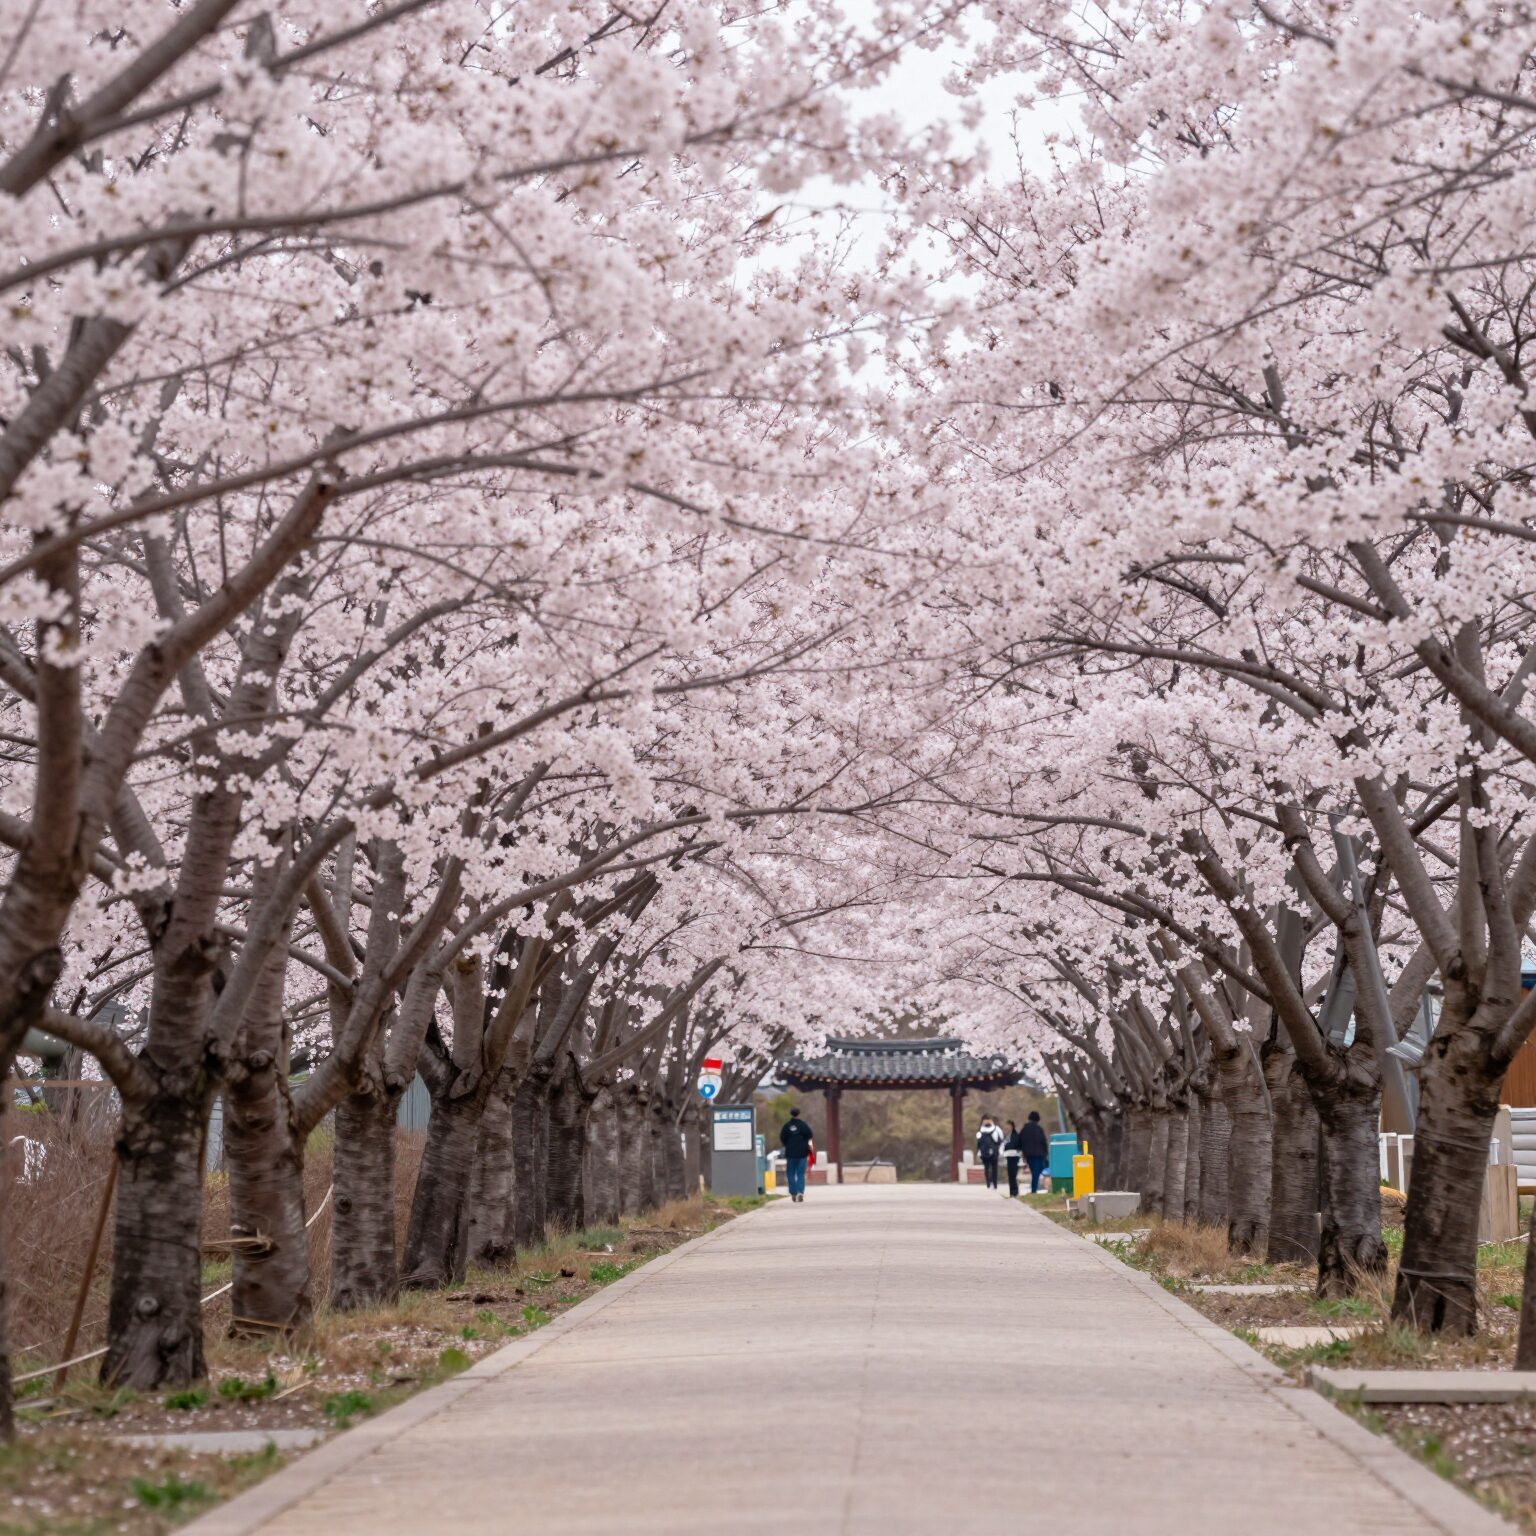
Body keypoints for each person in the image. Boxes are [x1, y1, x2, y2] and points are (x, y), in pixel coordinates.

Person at [780, 1106, 815, 1202]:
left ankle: (793, 1192)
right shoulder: (803, 1125)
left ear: (791, 1114)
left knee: (790, 1173)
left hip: (790, 1153)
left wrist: (788, 1145)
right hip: (802, 1153)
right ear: (799, 1114)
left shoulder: (786, 1126)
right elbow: (810, 1135)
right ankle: (800, 1192)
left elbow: (782, 1138)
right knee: (800, 1173)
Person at [1019, 1110, 1050, 1193]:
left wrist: (1023, 1153)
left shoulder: (1024, 1129)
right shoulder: (1039, 1129)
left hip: (1029, 1154)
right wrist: (1046, 1153)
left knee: (1034, 1172)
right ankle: (1034, 1190)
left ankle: (1034, 1189)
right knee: (1036, 1172)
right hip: (1039, 1154)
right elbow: (1043, 1141)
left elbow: (1020, 1142)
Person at [975, 1114, 1004, 1190]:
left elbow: (1001, 1140)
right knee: (989, 1168)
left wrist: (1000, 1150)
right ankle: (990, 1183)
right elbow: (978, 1142)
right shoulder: (981, 1130)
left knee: (991, 1168)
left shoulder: (995, 1129)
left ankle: (993, 1183)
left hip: (991, 1152)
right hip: (987, 1152)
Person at [1002, 1119, 1024, 1197]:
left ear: (1011, 1126)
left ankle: (1015, 1191)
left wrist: (1007, 1146)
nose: (1006, 1127)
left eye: (1008, 1126)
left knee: (1013, 1174)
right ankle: (1012, 1192)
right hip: (1008, 1157)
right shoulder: (1007, 1136)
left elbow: (1014, 1145)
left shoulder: (1015, 1135)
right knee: (1010, 1175)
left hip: (1014, 1157)